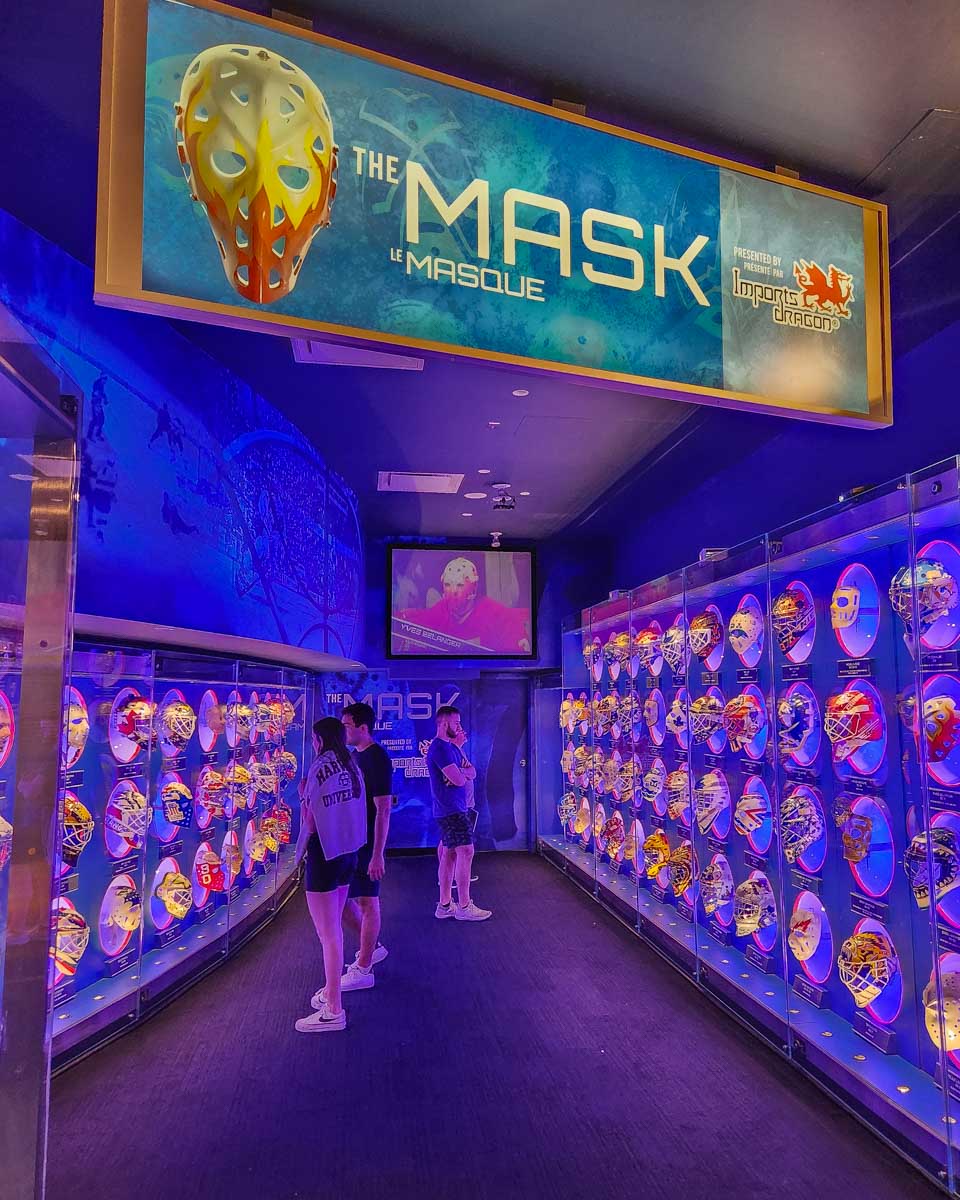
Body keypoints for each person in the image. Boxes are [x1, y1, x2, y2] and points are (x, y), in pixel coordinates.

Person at [293, 718, 367, 1033]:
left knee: (329, 934)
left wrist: (302, 797)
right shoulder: (351, 765)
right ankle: (330, 991)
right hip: (349, 852)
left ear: (319, 739)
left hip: (323, 854)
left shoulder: (318, 769)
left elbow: (310, 823)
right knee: (334, 927)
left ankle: (334, 1009)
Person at [340, 702, 393, 991]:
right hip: (352, 843)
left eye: (347, 725)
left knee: (368, 903)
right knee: (345, 903)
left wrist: (377, 854)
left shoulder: (377, 759)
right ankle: (370, 949)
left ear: (362, 727)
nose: (343, 730)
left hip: (368, 845)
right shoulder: (353, 756)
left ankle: (364, 968)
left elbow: (383, 810)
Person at [428, 705, 491, 921]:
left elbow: (470, 772)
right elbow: (457, 779)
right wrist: (461, 774)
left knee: (450, 853)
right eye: (456, 723)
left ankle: (445, 905)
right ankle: (464, 906)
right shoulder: (440, 748)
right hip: (451, 810)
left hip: (456, 808)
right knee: (466, 851)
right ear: (444, 724)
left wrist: (461, 773)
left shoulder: (452, 748)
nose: (460, 727)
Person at [398, 556, 531, 655]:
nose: (453, 591)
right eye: (448, 585)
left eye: (460, 585)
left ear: (473, 589)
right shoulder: (441, 609)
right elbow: (419, 623)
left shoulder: (497, 615)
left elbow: (517, 656)